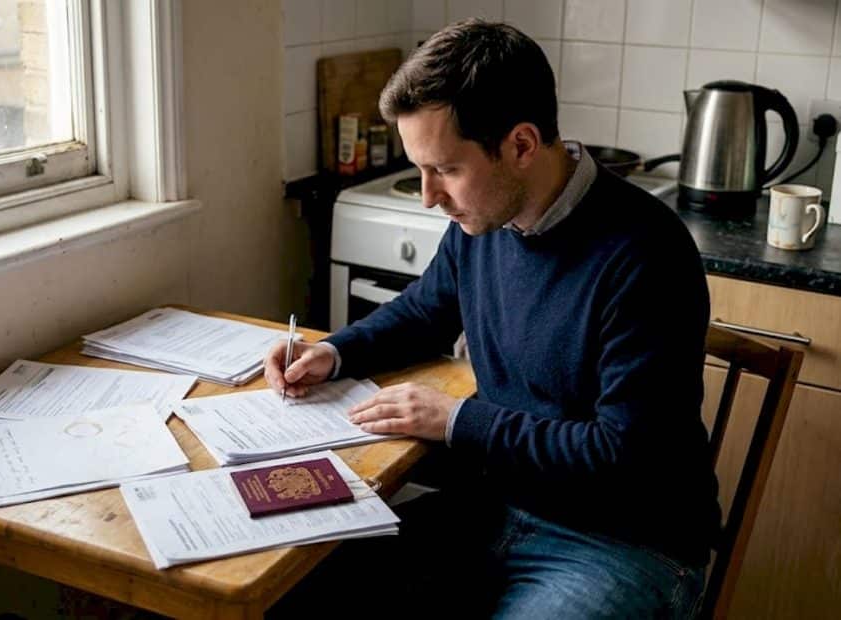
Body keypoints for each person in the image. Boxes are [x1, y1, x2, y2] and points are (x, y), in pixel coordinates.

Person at [265, 19, 719, 619]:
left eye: (445, 170)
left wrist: (458, 421)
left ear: (522, 145)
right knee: (297, 593)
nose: (428, 195)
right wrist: (337, 352)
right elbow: (427, 308)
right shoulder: (483, 220)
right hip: (491, 508)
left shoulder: (644, 254)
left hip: (622, 542)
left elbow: (623, 456)